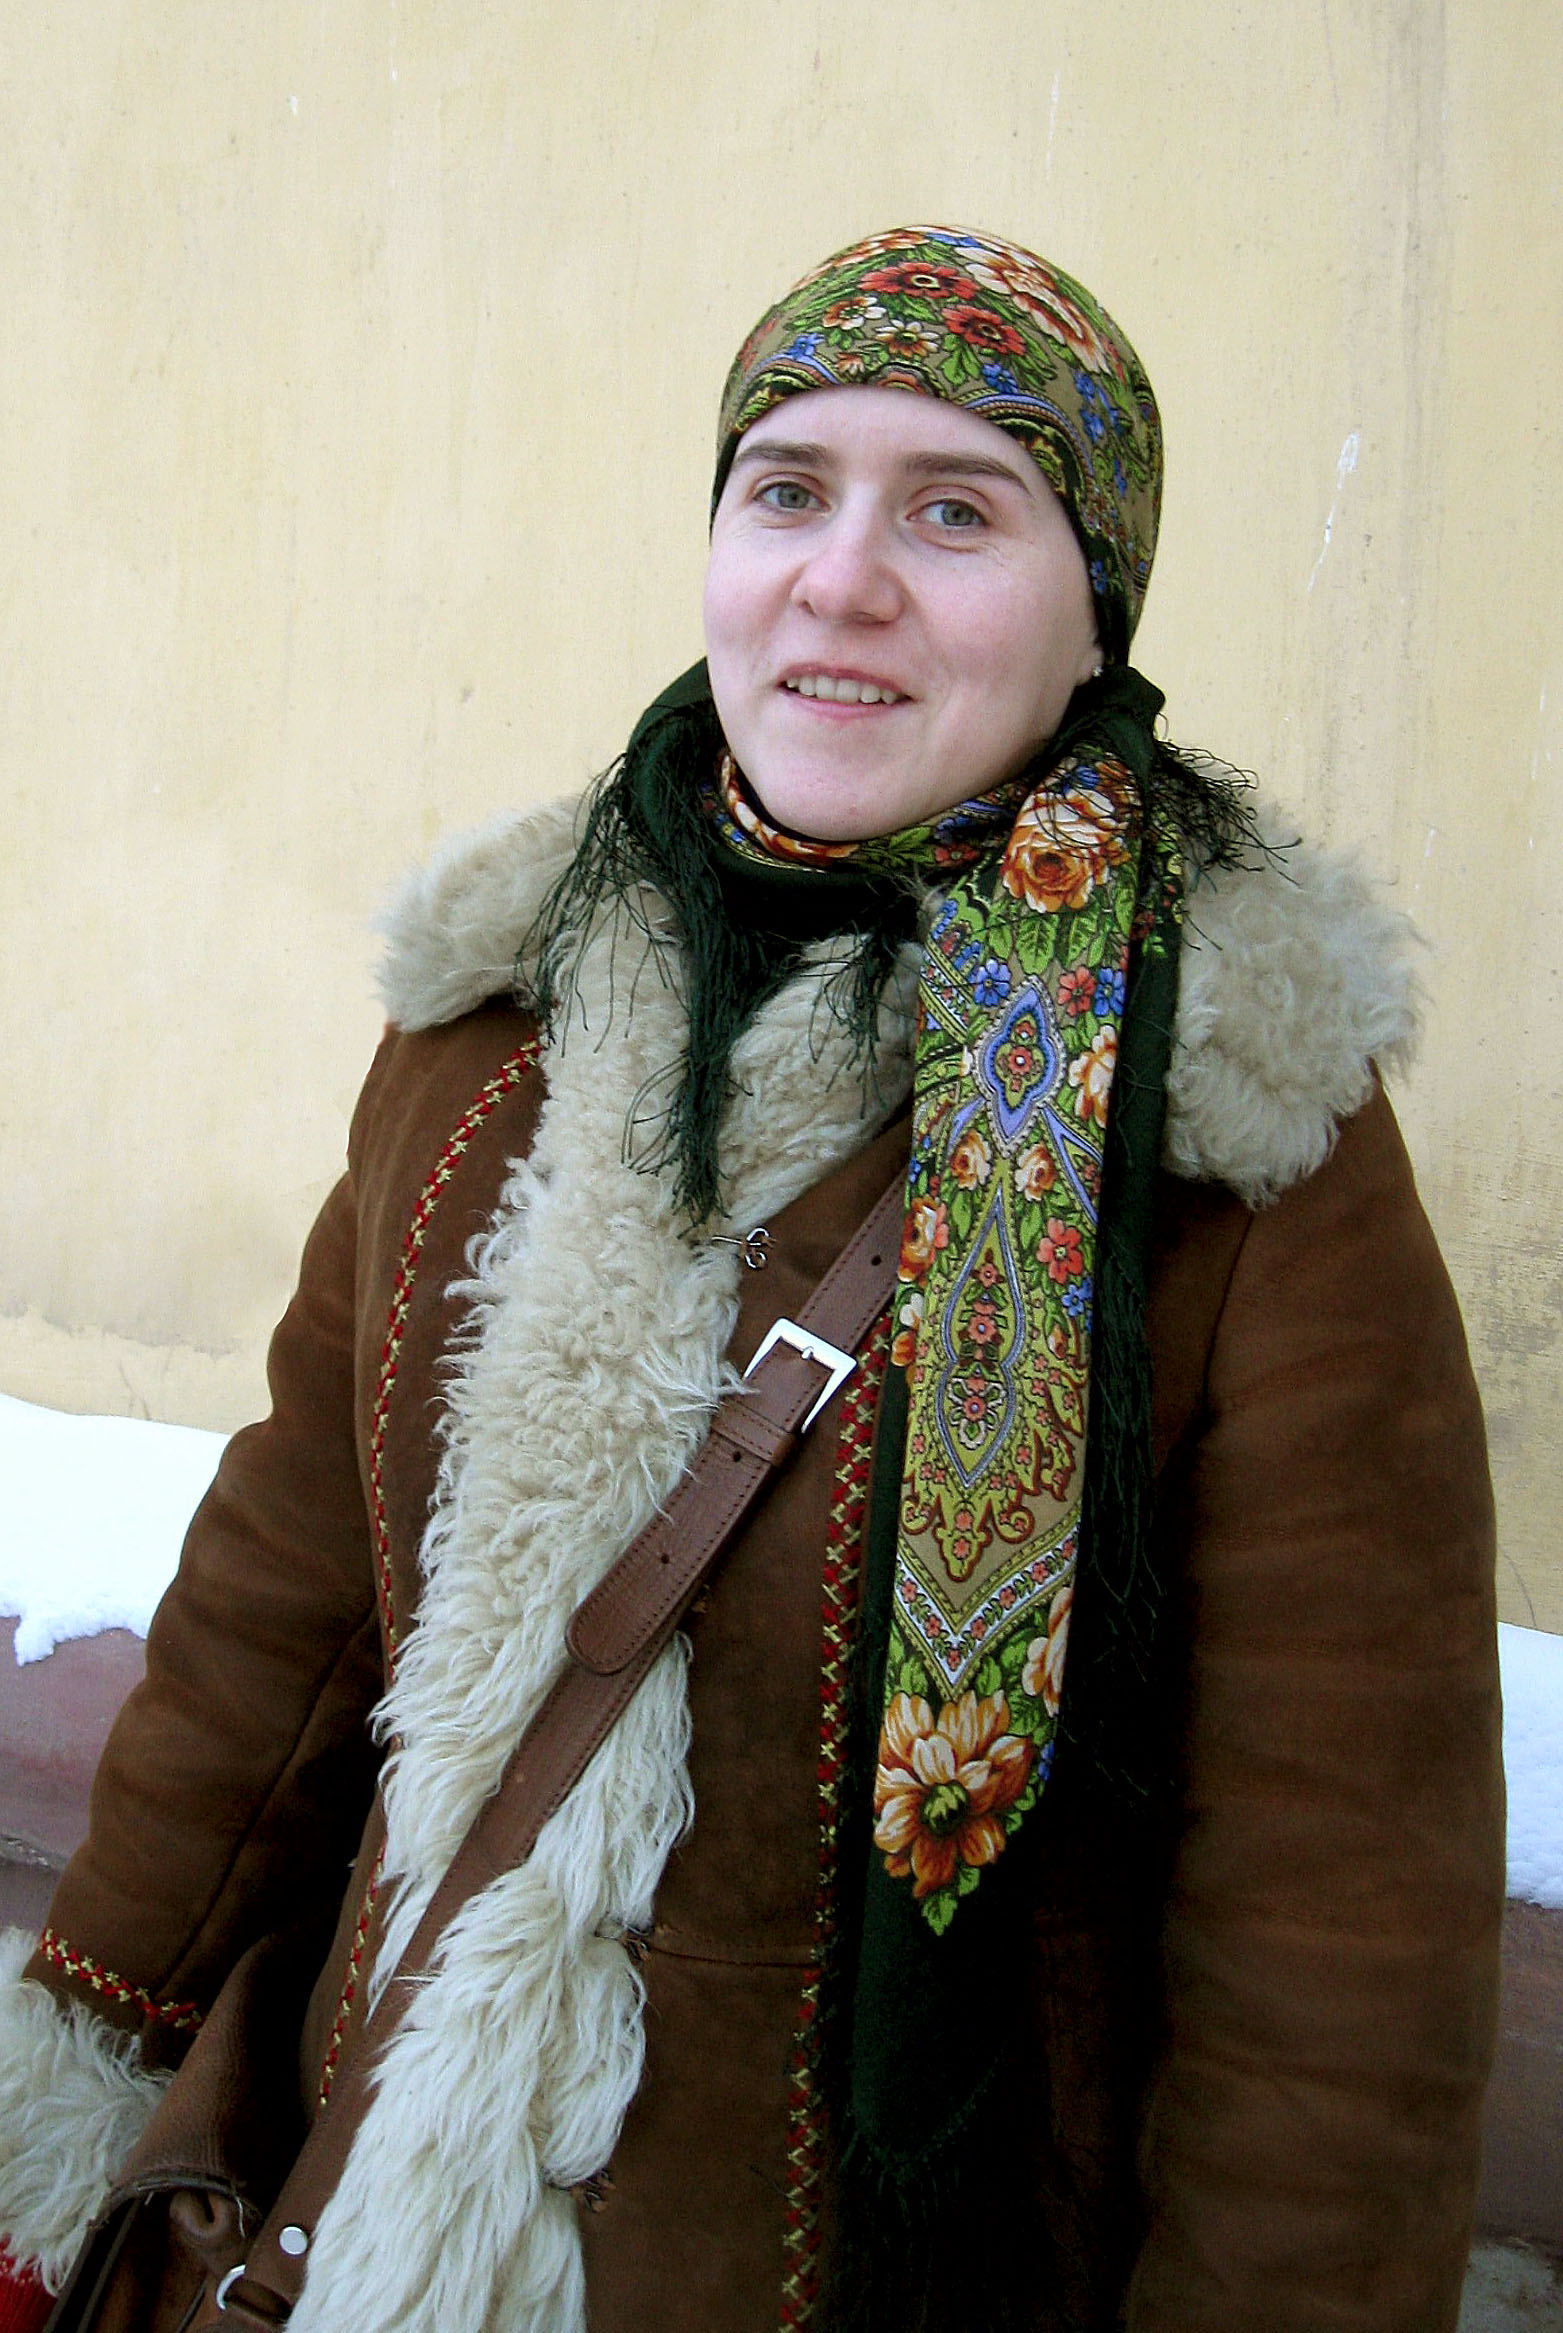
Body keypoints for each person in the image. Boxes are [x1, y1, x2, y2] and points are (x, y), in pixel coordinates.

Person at [0, 226, 1503, 2333]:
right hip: (364, 2228)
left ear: (1095, 610)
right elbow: (280, 1615)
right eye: (785, 490)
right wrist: (74, 2075)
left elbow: (1337, 1924)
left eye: (955, 512)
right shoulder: (497, 1026)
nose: (840, 579)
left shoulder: (1234, 1142)